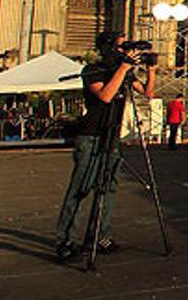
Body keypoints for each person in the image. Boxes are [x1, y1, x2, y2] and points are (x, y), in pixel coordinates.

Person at [55, 31, 155, 262]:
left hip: (112, 137)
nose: (126, 51)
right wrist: (123, 68)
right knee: (80, 189)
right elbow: (105, 96)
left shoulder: (125, 73)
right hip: (91, 136)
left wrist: (151, 70)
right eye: (121, 47)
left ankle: (100, 235)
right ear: (108, 48)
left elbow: (148, 93)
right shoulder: (93, 70)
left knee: (109, 188)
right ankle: (65, 240)